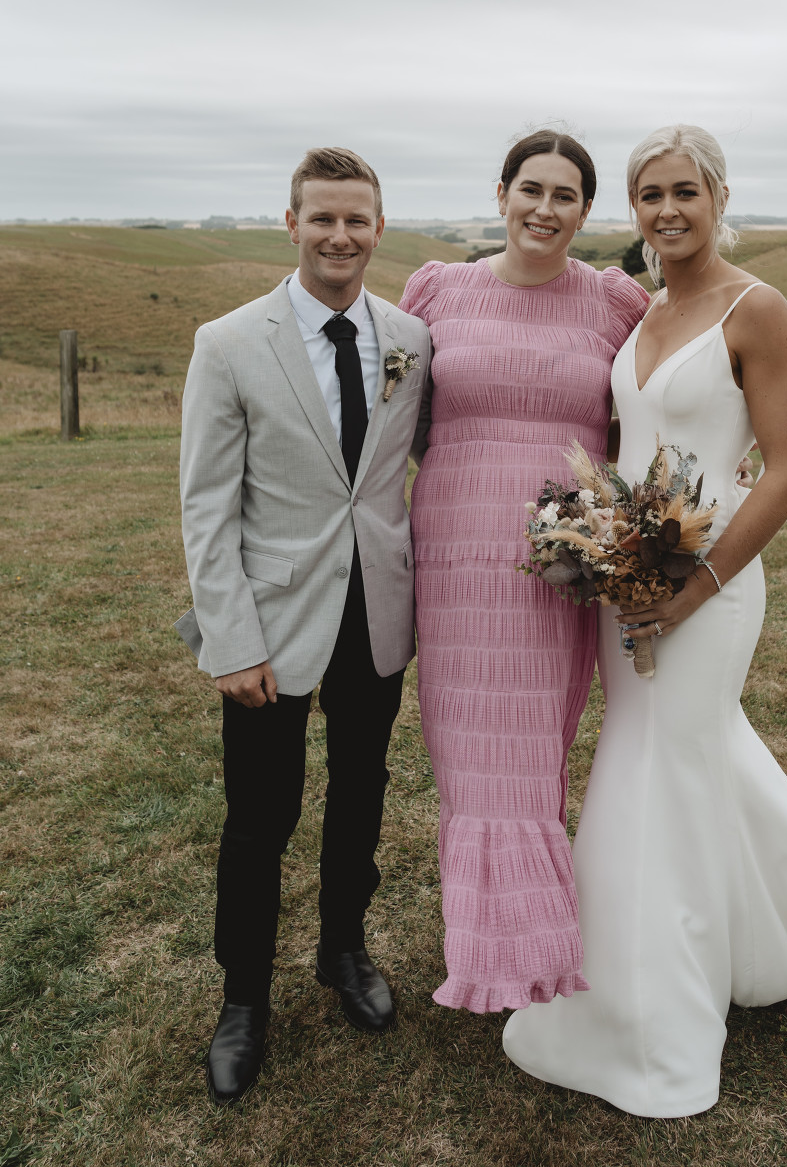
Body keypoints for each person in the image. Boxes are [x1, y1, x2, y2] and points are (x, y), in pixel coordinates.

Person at [503, 125, 787, 1117]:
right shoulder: (647, 309)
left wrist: (695, 584)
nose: (666, 210)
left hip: (712, 586)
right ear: (633, 209)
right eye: (649, 194)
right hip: (627, 579)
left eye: (683, 191)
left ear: (717, 198)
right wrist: (601, 548)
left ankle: (643, 1019)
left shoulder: (758, 309)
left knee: (658, 768)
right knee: (676, 756)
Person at [175, 146, 431, 1106]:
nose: (339, 235)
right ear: (292, 224)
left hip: (378, 608)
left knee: (361, 792)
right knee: (260, 817)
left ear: (378, 227)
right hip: (272, 620)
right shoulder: (228, 342)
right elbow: (207, 508)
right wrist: (229, 641)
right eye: (322, 217)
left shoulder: (411, 338)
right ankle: (243, 998)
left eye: (356, 219)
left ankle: (343, 950)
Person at [399, 129, 649, 1013]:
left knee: (531, 750)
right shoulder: (437, 290)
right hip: (452, 555)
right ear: (500, 194)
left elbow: (652, 411)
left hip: (558, 566)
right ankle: (487, 951)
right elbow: (399, 418)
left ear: (585, 211)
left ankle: (537, 952)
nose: (544, 209)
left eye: (564, 195)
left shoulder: (613, 303)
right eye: (530, 189)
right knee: (466, 755)